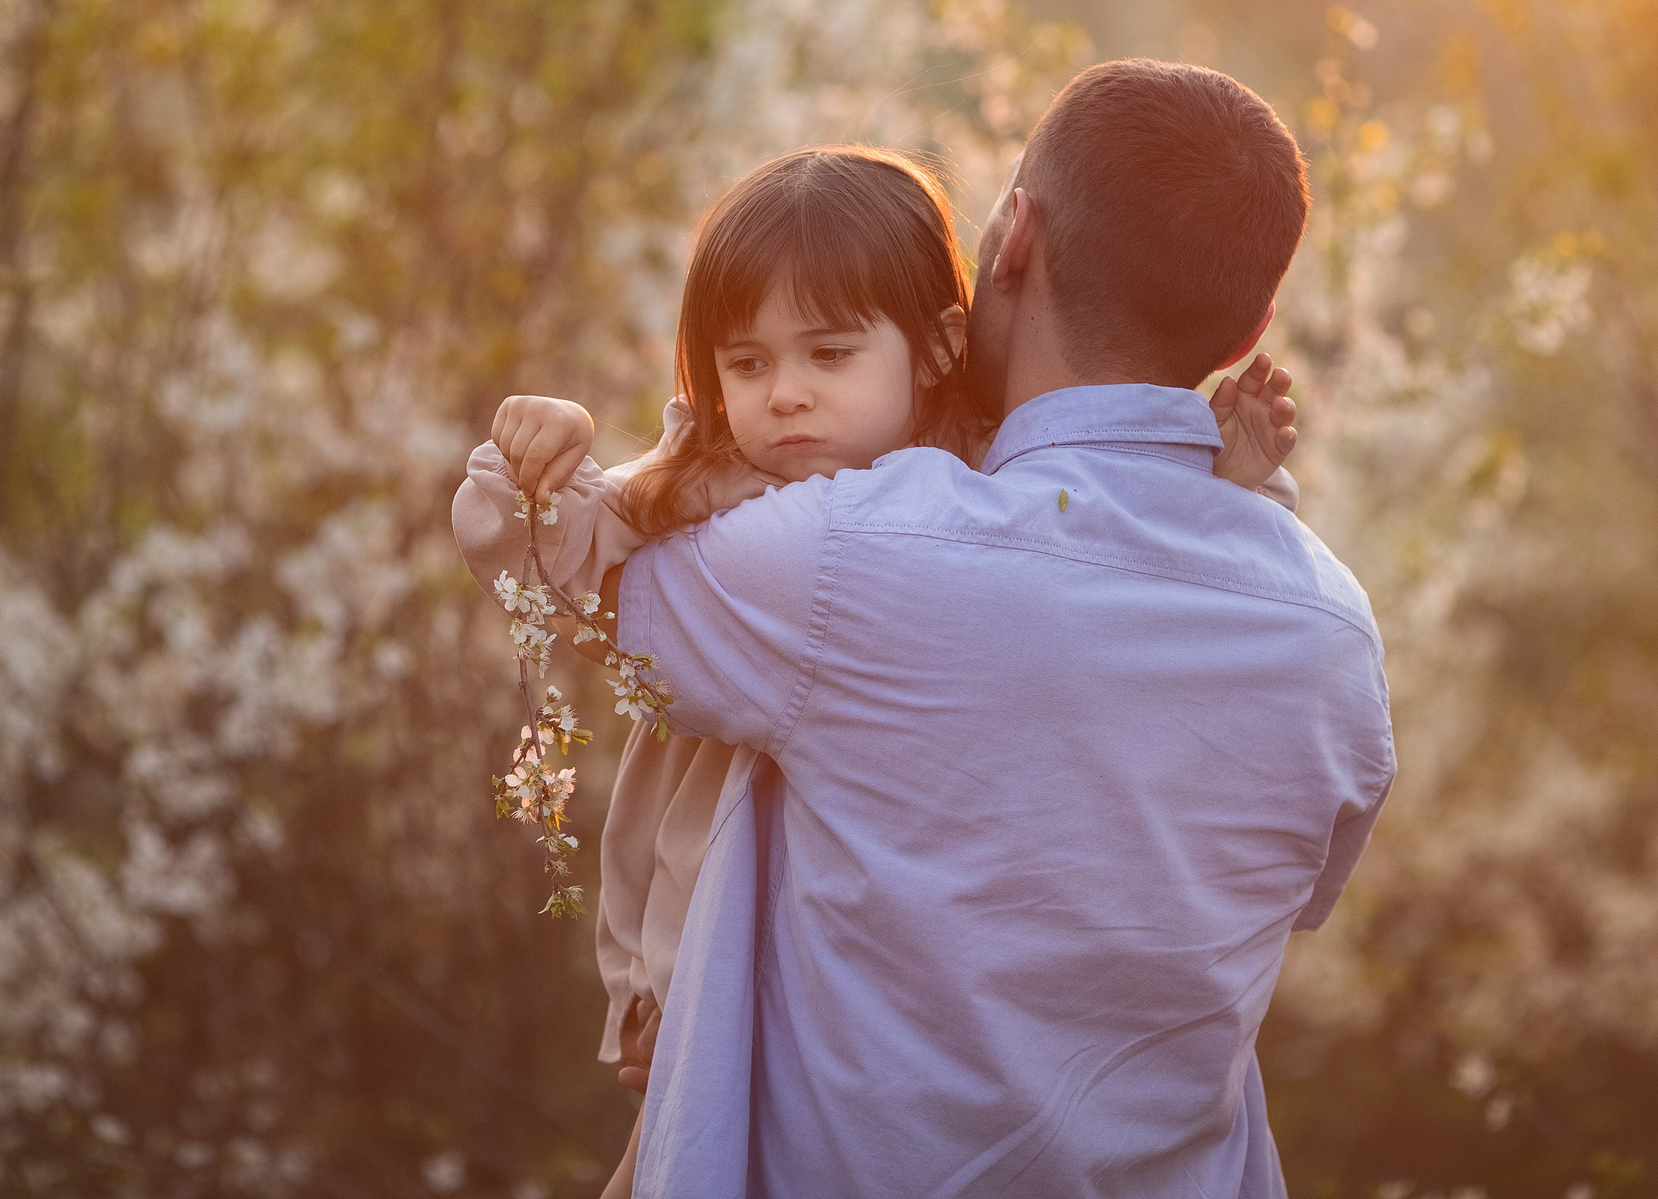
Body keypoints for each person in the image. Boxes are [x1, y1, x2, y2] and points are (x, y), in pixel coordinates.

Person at [590, 60, 1394, 1197]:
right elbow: (1300, 900)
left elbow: (601, 592)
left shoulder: (847, 549)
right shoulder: (1333, 638)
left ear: (1012, 239)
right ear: (1253, 322)